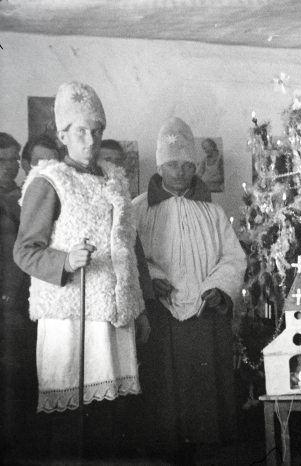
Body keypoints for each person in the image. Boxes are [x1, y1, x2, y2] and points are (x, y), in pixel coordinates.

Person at [13, 81, 150, 459]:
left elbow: (130, 247)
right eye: (80, 132)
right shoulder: (49, 180)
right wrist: (65, 261)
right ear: (62, 134)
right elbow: (25, 252)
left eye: (97, 131)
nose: (90, 140)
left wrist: (140, 309)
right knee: (72, 418)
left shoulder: (115, 181)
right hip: (70, 315)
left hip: (114, 315)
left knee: (110, 414)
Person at [133, 117, 247, 462]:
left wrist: (219, 287)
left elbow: (231, 257)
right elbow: (132, 255)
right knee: (163, 385)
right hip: (161, 310)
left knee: (202, 386)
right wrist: (151, 279)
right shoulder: (139, 209)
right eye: (172, 165)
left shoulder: (211, 211)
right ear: (159, 166)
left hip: (203, 309)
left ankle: (202, 447)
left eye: (187, 165)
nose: (181, 172)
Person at [0, 132, 33, 457]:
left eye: (13, 159)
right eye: (1, 159)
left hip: (22, 301)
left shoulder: (26, 196)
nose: (9, 166)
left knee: (18, 378)